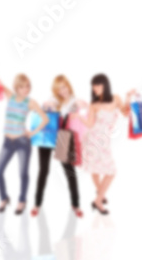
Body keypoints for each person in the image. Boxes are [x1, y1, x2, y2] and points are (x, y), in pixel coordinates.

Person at [0, 60, 48, 215]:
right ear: (17, 87)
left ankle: (22, 201)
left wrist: (31, 132)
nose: (26, 89)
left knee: (23, 173)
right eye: (23, 86)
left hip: (23, 141)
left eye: (28, 86)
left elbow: (45, 119)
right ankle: (4, 198)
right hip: (8, 141)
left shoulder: (30, 102)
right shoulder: (10, 96)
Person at [77, 74, 134, 215]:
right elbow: (90, 124)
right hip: (92, 140)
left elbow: (126, 113)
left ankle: (98, 196)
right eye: (93, 85)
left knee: (110, 171)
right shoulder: (94, 104)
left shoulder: (115, 98)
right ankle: (99, 199)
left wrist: (128, 97)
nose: (95, 88)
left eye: (98, 85)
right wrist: (79, 116)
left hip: (105, 141)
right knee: (96, 169)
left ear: (105, 85)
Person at [31, 75, 86, 218]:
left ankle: (75, 204)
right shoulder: (54, 99)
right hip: (48, 134)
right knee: (43, 170)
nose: (62, 91)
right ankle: (37, 204)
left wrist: (81, 106)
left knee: (69, 170)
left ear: (68, 85)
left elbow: (84, 111)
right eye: (59, 89)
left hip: (63, 136)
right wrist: (47, 105)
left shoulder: (74, 101)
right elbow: (46, 105)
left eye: (64, 87)